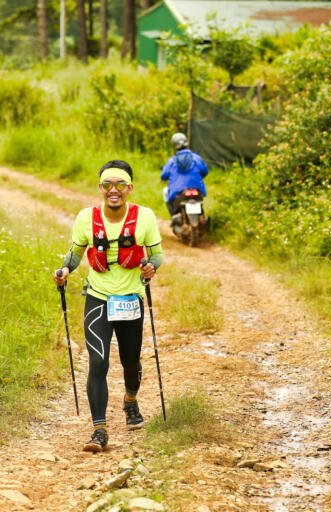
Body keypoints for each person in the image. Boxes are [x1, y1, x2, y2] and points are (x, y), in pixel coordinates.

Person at [52, 159, 164, 453]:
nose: (113, 190)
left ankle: (130, 401)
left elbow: (158, 255)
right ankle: (99, 430)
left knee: (130, 362)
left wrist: (151, 267)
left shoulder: (145, 218)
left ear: (130, 188)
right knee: (98, 362)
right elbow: (75, 254)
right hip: (98, 299)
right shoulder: (86, 218)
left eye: (119, 185)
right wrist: (64, 270)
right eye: (107, 185)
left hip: (129, 300)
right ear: (100, 188)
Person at [160, 132, 209, 217]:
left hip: (178, 191)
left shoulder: (172, 161)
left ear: (174, 146)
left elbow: (164, 175)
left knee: (165, 192)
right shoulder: (196, 158)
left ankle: (173, 216)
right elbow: (205, 171)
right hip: (197, 189)